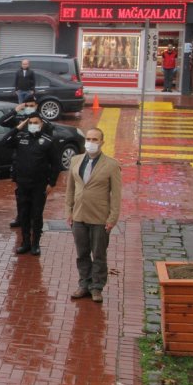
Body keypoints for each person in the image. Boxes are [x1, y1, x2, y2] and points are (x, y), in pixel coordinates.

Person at [65, 128, 122, 304]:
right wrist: (69, 211)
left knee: (98, 254)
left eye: (95, 139)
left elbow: (116, 194)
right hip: (79, 216)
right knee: (82, 253)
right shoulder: (75, 160)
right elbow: (70, 189)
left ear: (102, 142)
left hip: (99, 217)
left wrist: (112, 218)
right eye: (88, 139)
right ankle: (84, 284)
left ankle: (96, 287)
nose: (91, 142)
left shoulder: (111, 165)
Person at [3, 114, 60, 256]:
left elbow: (56, 164)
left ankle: (35, 244)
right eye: (31, 122)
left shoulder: (48, 141)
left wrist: (51, 183)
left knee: (36, 214)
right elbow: (5, 141)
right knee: (23, 214)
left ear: (41, 124)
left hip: (39, 185)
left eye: (36, 122)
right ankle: (25, 242)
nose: (33, 125)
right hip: (22, 183)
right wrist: (18, 127)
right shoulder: (21, 137)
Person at [0, 96, 45, 228]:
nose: (29, 107)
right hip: (20, 163)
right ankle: (21, 217)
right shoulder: (19, 119)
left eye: (32, 105)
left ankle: (33, 219)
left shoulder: (41, 121)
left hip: (36, 164)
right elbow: (2, 121)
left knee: (36, 196)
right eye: (27, 105)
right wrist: (15, 111)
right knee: (20, 194)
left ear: (36, 105)